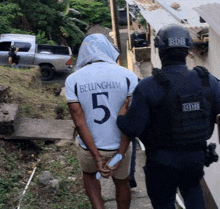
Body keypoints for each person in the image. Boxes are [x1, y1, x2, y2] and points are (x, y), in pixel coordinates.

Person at [117, 24, 220, 209]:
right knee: (194, 194)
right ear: (188, 49)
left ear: (160, 49)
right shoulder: (208, 81)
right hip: (195, 160)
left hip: (161, 162)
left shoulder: (148, 86)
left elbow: (133, 128)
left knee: (164, 203)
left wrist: (121, 115)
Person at [65, 33, 139, 209]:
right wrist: (120, 153)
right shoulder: (128, 76)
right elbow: (130, 116)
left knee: (90, 177)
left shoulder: (73, 80)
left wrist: (97, 157)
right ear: (108, 50)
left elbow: (79, 121)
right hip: (119, 144)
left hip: (89, 147)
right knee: (122, 182)